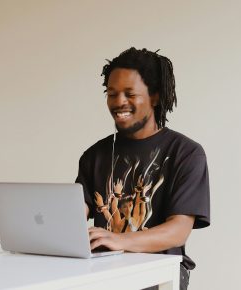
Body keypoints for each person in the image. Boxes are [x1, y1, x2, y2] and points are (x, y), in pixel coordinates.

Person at [76, 47, 210, 290]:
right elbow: (75, 214)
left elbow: (178, 231)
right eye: (112, 93)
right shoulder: (94, 155)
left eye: (130, 93)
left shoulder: (186, 153)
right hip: (103, 273)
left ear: (155, 96)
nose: (118, 102)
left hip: (158, 274)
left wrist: (119, 240)